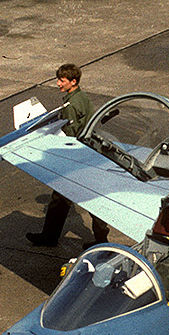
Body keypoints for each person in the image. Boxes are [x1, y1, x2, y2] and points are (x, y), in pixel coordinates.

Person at [27, 63, 111, 247]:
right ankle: (100, 239)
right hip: (90, 155)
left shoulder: (71, 105)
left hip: (78, 158)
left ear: (73, 81)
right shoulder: (82, 97)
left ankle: (51, 237)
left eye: (61, 80)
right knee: (70, 199)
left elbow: (71, 136)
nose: (58, 84)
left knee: (65, 198)